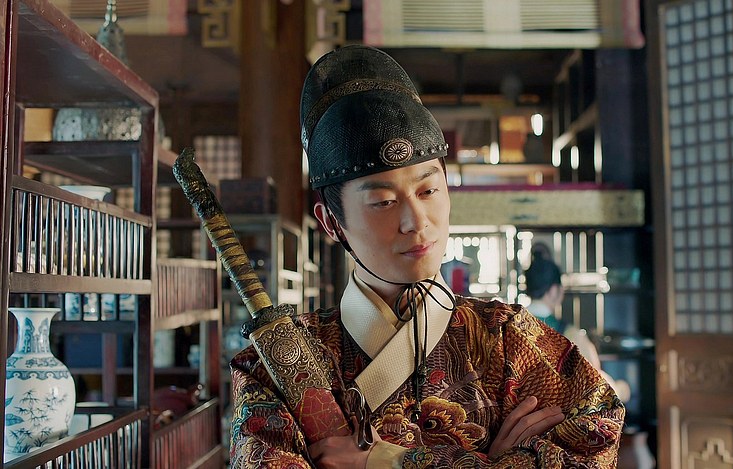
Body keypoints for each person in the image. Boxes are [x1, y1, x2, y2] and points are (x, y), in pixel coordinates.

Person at [229, 45, 624, 468]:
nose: (416, 222)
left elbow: (595, 435)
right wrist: (492, 462)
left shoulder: (507, 338)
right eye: (383, 201)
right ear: (332, 223)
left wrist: (384, 462)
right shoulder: (278, 366)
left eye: (428, 190)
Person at [524, 245, 631, 403]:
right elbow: (595, 385)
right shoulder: (570, 335)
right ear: (553, 290)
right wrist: (621, 389)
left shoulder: (507, 326)